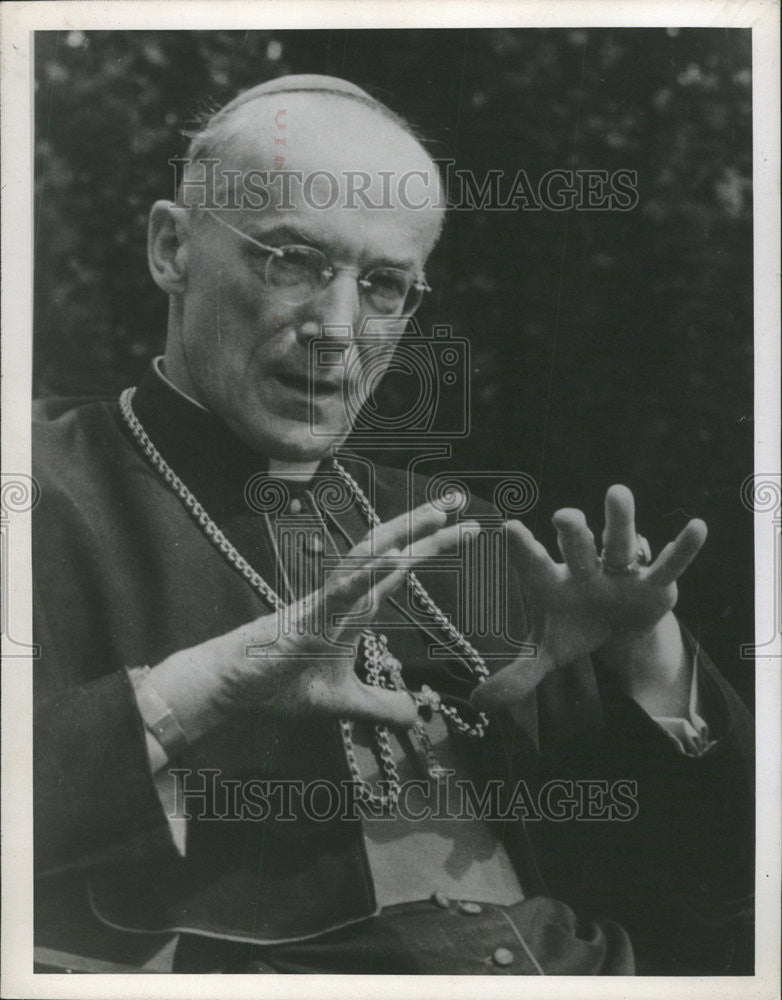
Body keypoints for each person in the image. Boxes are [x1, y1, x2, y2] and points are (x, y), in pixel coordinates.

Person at [32, 74, 754, 976]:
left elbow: (723, 898)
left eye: (383, 286)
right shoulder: (36, 487)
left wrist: (648, 661)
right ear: (172, 247)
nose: (338, 329)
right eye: (292, 260)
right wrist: (207, 688)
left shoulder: (477, 544)